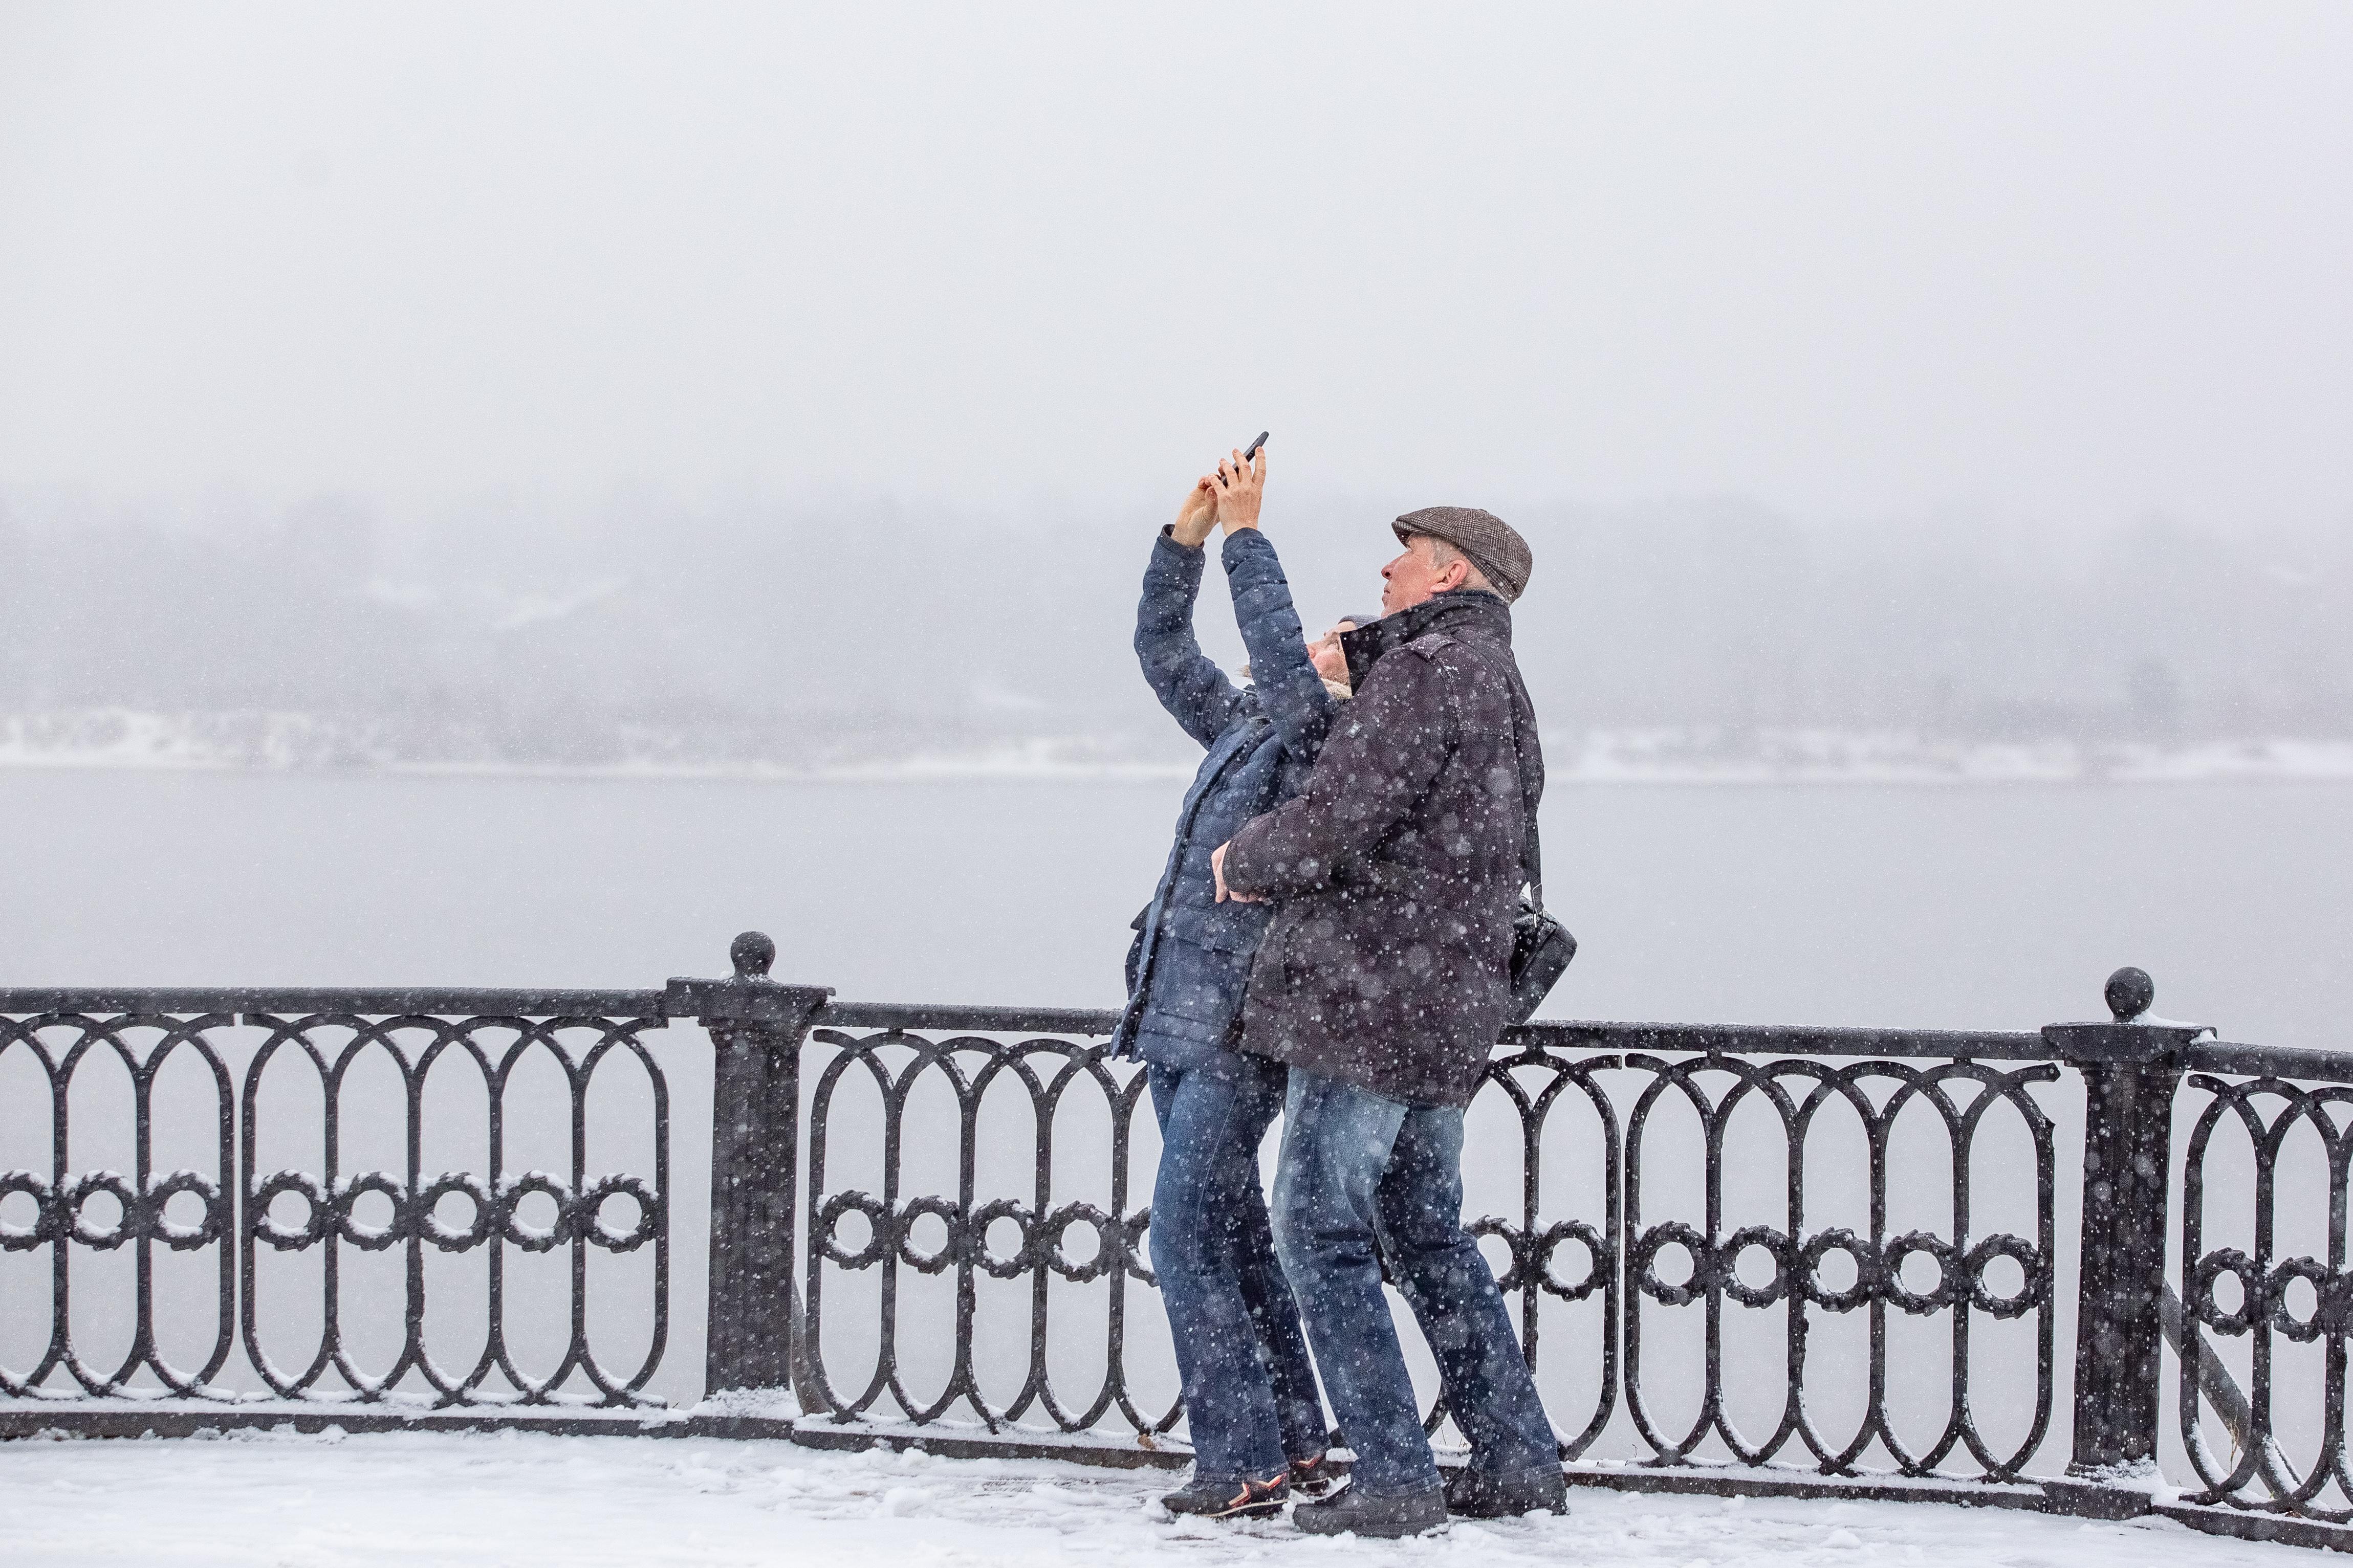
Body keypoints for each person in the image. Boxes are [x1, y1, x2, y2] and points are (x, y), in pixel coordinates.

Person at [1209, 505, 1565, 1538]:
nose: (1385, 568)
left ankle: (1395, 1475)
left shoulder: (1425, 671)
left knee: (1318, 1228)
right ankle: (1515, 1459)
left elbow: (1341, 815)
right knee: (1425, 1233)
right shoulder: (1496, 682)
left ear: (1449, 572)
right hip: (1445, 1008)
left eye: (1403, 557)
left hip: (1370, 1003)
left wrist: (1246, 859)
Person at [1113, 443, 1367, 1522]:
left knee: (1183, 1241)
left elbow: (1281, 668)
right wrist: (1184, 539)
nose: (1312, 646)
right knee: (1226, 1236)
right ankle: (1294, 1440)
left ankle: (1239, 1461)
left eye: (1335, 644)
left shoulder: (1332, 741)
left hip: (1234, 1031)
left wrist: (1250, 539)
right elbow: (1164, 650)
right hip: (1175, 1017)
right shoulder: (1250, 728)